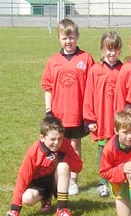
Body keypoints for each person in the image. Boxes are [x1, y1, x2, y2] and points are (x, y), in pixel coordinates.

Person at [41, 19, 95, 195]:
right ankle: (57, 177)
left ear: (77, 37)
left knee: (75, 145)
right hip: (58, 113)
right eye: (65, 38)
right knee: (56, 145)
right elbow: (48, 87)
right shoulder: (53, 61)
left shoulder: (86, 59)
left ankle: (72, 180)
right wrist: (48, 110)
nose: (68, 41)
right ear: (59, 38)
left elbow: (93, 85)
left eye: (71, 37)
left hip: (77, 113)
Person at [6, 116, 82, 216]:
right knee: (27, 198)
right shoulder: (34, 152)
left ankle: (62, 209)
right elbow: (22, 178)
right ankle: (46, 199)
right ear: (42, 137)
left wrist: (61, 157)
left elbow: (78, 167)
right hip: (39, 184)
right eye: (52, 139)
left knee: (63, 166)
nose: (57, 143)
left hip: (56, 181)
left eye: (60, 138)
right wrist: (15, 207)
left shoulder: (65, 144)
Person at [83, 31, 123, 198]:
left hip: (118, 118)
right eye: (108, 49)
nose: (112, 53)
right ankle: (103, 182)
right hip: (102, 117)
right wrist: (90, 119)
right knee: (103, 150)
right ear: (102, 49)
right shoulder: (95, 70)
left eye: (115, 49)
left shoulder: (123, 69)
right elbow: (89, 95)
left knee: (119, 148)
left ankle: (118, 178)